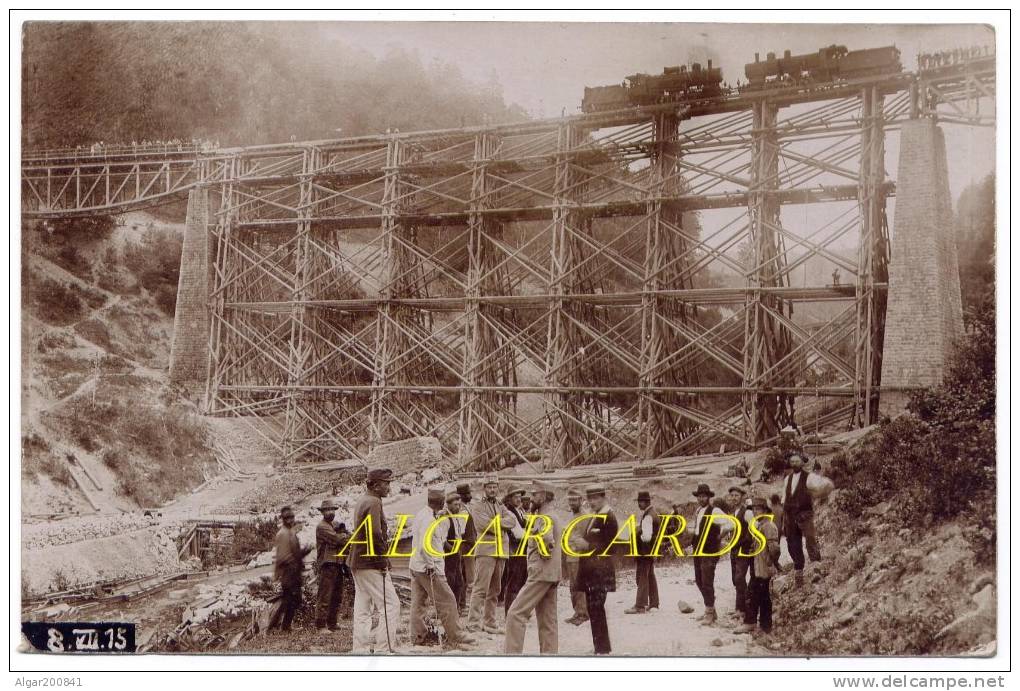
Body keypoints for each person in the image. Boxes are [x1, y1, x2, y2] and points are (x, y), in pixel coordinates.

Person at [408, 489, 475, 650]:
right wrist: (431, 565)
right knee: (447, 600)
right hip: (428, 567)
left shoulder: (422, 514)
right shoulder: (429, 520)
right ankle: (455, 636)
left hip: (416, 565)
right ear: (440, 502)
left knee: (418, 602)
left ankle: (419, 636)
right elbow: (425, 546)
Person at [347, 468, 401, 653]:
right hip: (370, 562)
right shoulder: (374, 502)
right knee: (391, 604)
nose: (389, 487)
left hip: (357, 561)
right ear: (376, 485)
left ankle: (360, 649)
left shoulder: (363, 499)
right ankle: (384, 648)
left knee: (363, 606)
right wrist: (382, 560)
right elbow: (376, 533)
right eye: (386, 483)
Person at [505, 482, 562, 654]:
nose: (531, 498)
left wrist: (542, 552)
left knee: (515, 614)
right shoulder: (553, 516)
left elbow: (547, 542)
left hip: (540, 574)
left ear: (543, 496)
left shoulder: (543, 518)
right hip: (551, 574)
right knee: (548, 621)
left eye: (535, 494)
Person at [465, 476, 521, 634]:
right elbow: (486, 525)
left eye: (495, 487)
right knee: (480, 588)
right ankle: (473, 623)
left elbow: (512, 521)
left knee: (495, 589)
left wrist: (498, 522)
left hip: (500, 552)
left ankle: (489, 622)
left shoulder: (500, 505)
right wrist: (501, 523)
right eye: (489, 487)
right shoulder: (477, 506)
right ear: (484, 488)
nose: (492, 490)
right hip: (486, 551)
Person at [577, 483, 618, 655]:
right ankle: (600, 647)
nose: (591, 502)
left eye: (595, 498)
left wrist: (588, 545)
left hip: (600, 571)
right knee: (593, 609)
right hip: (592, 571)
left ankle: (601, 649)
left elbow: (611, 546)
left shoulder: (609, 516)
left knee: (597, 608)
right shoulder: (597, 515)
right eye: (589, 498)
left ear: (603, 497)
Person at [735, 496, 781, 635]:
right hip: (757, 566)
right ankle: (755, 623)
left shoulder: (768, 526)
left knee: (762, 596)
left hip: (764, 567)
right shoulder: (759, 525)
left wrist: (771, 562)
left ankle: (762, 626)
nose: (755, 512)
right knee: (755, 594)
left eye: (758, 509)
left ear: (765, 511)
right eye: (754, 509)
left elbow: (774, 548)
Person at [689, 483, 733, 626]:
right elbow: (697, 530)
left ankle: (709, 612)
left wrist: (720, 537)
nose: (701, 499)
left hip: (709, 550)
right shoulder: (698, 511)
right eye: (699, 496)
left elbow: (730, 524)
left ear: (708, 497)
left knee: (707, 580)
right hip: (698, 549)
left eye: (704, 496)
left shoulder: (715, 511)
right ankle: (711, 610)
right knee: (699, 579)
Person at [268, 506, 312, 633]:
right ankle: (281, 626)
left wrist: (303, 552)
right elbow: (282, 557)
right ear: (283, 519)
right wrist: (301, 554)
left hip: (294, 571)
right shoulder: (283, 534)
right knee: (291, 599)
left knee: (292, 599)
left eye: (292, 517)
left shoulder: (290, 532)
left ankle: (282, 626)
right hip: (289, 572)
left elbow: (294, 553)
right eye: (287, 518)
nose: (290, 520)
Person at [783, 453, 822, 587]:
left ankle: (817, 568)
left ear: (802, 462)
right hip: (790, 515)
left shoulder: (809, 477)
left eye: (797, 461)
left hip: (805, 514)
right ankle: (799, 575)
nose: (794, 464)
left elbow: (817, 490)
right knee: (794, 544)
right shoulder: (787, 479)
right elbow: (784, 497)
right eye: (792, 461)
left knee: (810, 538)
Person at [314, 498, 349, 633]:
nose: (330, 512)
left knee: (336, 595)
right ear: (322, 512)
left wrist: (343, 534)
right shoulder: (322, 527)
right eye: (327, 510)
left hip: (337, 563)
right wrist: (343, 535)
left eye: (332, 509)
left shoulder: (334, 524)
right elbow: (338, 539)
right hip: (327, 564)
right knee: (325, 595)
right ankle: (321, 625)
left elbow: (346, 536)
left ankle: (332, 623)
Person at [625, 490, 659, 614]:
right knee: (650, 575)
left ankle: (640, 605)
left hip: (644, 551)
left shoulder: (648, 516)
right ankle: (654, 603)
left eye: (640, 502)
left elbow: (647, 537)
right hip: (651, 551)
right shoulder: (653, 513)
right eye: (638, 501)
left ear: (646, 502)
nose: (639, 504)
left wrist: (636, 533)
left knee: (642, 577)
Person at [562, 487, 589, 626]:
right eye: (570, 500)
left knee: (578, 585)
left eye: (574, 500)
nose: (571, 503)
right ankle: (578, 612)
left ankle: (582, 613)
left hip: (578, 556)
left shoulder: (584, 517)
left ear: (581, 500)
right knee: (573, 585)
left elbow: (585, 538)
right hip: (571, 555)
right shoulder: (574, 516)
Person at [500, 487, 529, 613]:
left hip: (521, 551)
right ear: (509, 499)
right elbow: (518, 534)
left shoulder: (519, 511)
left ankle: (518, 611)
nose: (518, 499)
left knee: (521, 581)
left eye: (519, 497)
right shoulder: (510, 513)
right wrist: (532, 533)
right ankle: (510, 612)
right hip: (514, 551)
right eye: (515, 497)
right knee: (513, 583)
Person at [728, 486, 754, 621]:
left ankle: (743, 609)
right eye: (732, 495)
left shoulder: (747, 512)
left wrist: (747, 544)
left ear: (742, 497)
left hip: (743, 550)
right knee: (735, 579)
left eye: (736, 495)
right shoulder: (734, 512)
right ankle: (739, 608)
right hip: (734, 550)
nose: (734, 498)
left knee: (739, 578)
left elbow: (753, 530)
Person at [443, 490, 468, 611]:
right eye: (455, 505)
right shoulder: (445, 517)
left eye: (459, 505)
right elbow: (442, 540)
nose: (457, 507)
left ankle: (457, 607)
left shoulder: (455, 517)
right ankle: (450, 609)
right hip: (448, 555)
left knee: (459, 582)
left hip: (457, 553)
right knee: (450, 582)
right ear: (448, 504)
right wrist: (453, 550)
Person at [456, 482, 477, 611]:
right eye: (467, 494)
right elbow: (461, 531)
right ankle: (461, 605)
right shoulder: (463, 510)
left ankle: (462, 603)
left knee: (464, 575)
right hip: (464, 547)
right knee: (462, 576)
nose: (470, 495)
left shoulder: (467, 507)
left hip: (468, 545)